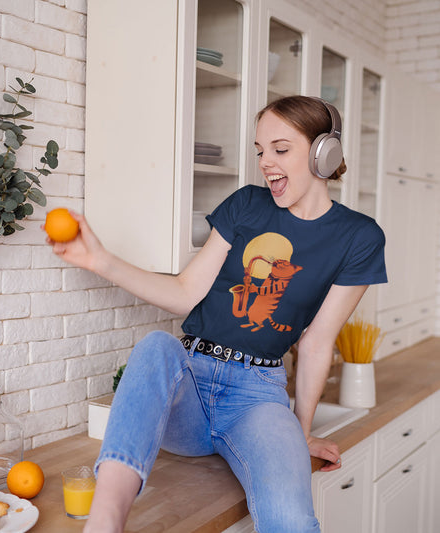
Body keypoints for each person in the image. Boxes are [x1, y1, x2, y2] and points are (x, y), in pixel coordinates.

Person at [47, 95, 387, 533]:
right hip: (190, 384)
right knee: (156, 345)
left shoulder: (358, 236)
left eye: (281, 149)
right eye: (261, 151)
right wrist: (101, 261)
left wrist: (298, 433)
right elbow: (186, 292)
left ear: (324, 153)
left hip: (258, 398)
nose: (267, 162)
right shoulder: (247, 204)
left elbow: (318, 341)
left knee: (291, 520)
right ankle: (104, 523)